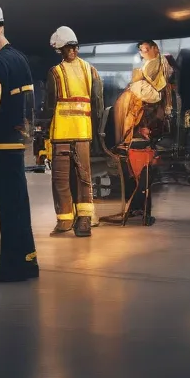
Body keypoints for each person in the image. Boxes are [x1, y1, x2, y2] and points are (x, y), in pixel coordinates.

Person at [0, 3, 39, 283]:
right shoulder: (20, 58)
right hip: (19, 140)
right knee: (19, 203)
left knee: (8, 207)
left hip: (3, 142)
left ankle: (11, 266)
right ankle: (28, 260)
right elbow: (29, 103)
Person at [40, 26, 102, 237]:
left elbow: (49, 106)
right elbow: (98, 105)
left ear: (59, 50)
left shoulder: (55, 73)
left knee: (60, 178)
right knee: (84, 177)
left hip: (61, 135)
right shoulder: (90, 70)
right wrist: (96, 135)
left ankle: (65, 221)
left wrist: (43, 132)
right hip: (83, 134)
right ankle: (84, 221)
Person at [109, 56, 166, 224]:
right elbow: (127, 128)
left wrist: (141, 130)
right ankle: (141, 208)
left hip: (123, 143)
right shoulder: (134, 97)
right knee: (149, 167)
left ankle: (136, 205)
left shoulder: (127, 95)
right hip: (127, 147)